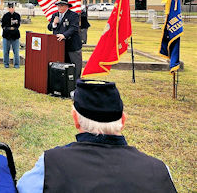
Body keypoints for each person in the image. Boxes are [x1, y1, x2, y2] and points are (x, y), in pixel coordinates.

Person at [17, 79, 177, 193]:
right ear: (123, 120)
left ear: (75, 120)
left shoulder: (50, 164)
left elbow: (22, 188)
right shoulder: (160, 170)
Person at [47, 0, 82, 80]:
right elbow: (49, 27)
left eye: (61, 5)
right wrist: (54, 23)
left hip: (72, 45)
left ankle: (76, 83)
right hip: (60, 46)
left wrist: (64, 35)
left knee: (75, 66)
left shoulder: (73, 15)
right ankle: (65, 84)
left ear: (67, 6)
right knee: (62, 66)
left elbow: (73, 28)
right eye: (58, 6)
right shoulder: (55, 15)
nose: (59, 7)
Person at [1, 2, 21, 68]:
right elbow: (3, 26)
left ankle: (17, 65)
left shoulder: (17, 15)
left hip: (15, 36)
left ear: (14, 8)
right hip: (6, 36)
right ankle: (6, 64)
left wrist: (10, 27)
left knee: (16, 52)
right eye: (10, 7)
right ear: (8, 8)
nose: (11, 9)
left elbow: (17, 25)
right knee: (6, 52)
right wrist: (10, 28)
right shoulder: (5, 16)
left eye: (12, 7)